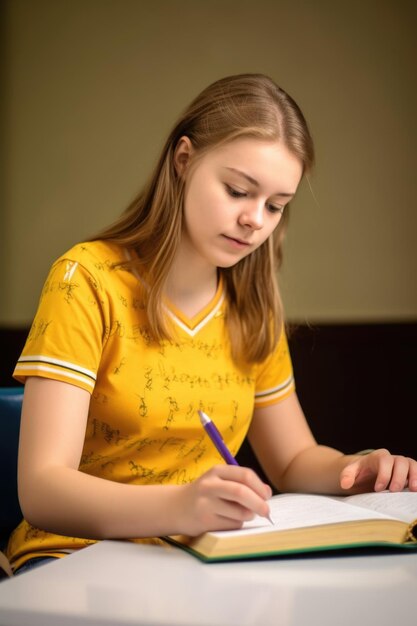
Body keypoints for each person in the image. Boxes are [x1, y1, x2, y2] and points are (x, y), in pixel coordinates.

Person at [7, 73, 417, 574]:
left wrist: (357, 468)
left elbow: (292, 461)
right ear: (183, 161)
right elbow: (43, 488)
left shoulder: (251, 307)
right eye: (238, 191)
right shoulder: (86, 282)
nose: (255, 220)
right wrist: (181, 506)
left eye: (275, 206)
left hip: (200, 560)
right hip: (73, 558)